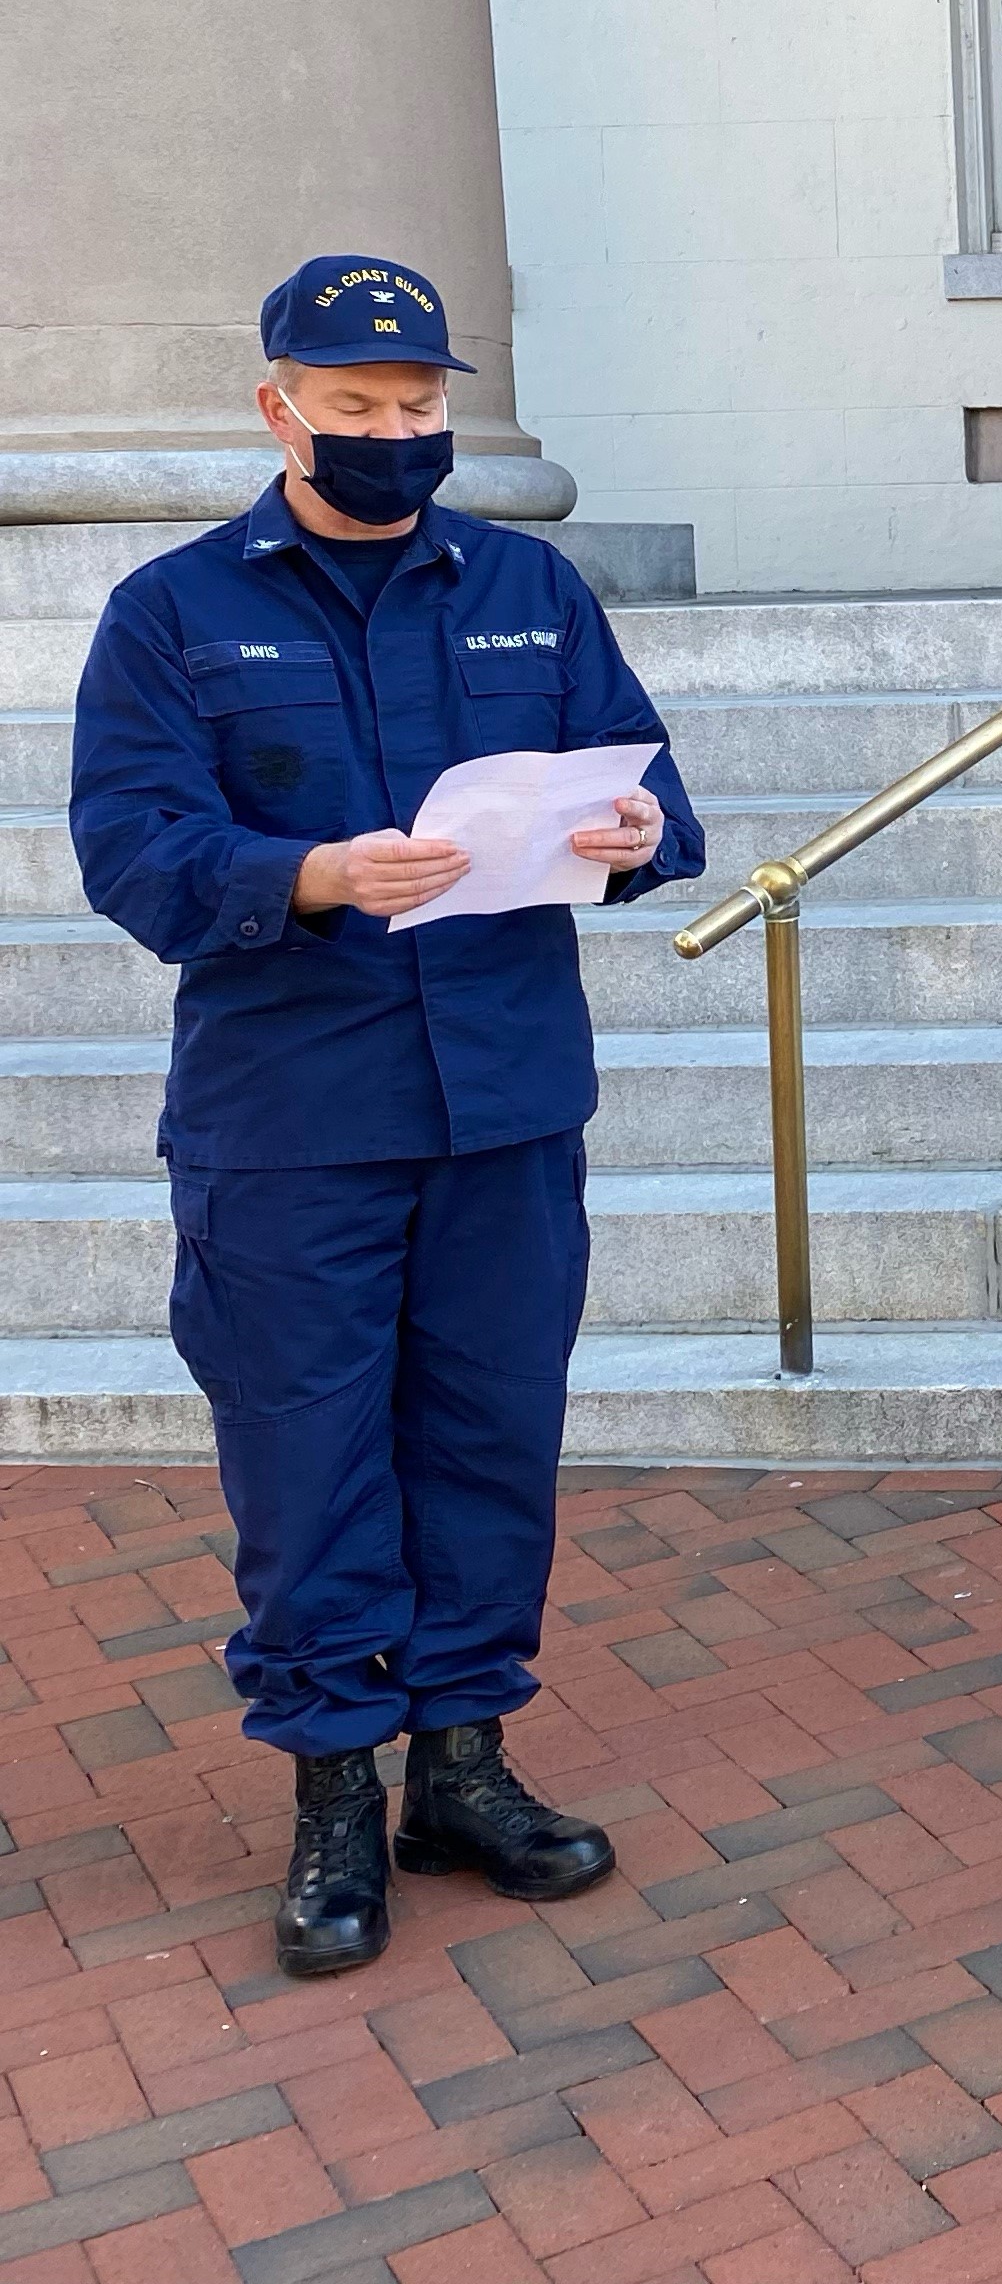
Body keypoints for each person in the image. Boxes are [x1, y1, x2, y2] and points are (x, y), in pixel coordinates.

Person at [68, 257, 706, 1978]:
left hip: (503, 1105)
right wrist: (312, 874)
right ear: (280, 410)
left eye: (419, 407)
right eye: (357, 410)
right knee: (310, 1455)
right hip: (294, 1120)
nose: (396, 434)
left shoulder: (526, 587)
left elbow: (648, 786)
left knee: (489, 1440)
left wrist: (637, 840)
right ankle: (333, 1792)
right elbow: (129, 852)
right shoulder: (174, 613)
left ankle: (463, 1767)